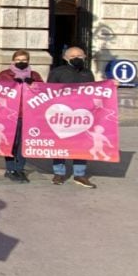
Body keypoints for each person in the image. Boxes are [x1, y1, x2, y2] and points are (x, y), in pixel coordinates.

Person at [47, 46, 97, 188]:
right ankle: (59, 173)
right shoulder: (57, 73)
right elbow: (48, 92)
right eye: (73, 56)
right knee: (60, 144)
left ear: (85, 57)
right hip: (61, 115)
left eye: (79, 56)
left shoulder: (88, 73)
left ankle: (80, 174)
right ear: (65, 58)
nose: (76, 58)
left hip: (82, 115)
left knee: (82, 143)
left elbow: (94, 91)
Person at [0, 49, 44, 183]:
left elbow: (43, 91)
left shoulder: (34, 75)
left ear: (28, 61)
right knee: (11, 142)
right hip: (10, 114)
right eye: (18, 60)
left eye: (24, 60)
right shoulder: (5, 74)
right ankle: (10, 169)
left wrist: (34, 85)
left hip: (28, 114)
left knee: (23, 144)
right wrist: (12, 84)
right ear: (13, 61)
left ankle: (19, 169)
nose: (21, 62)